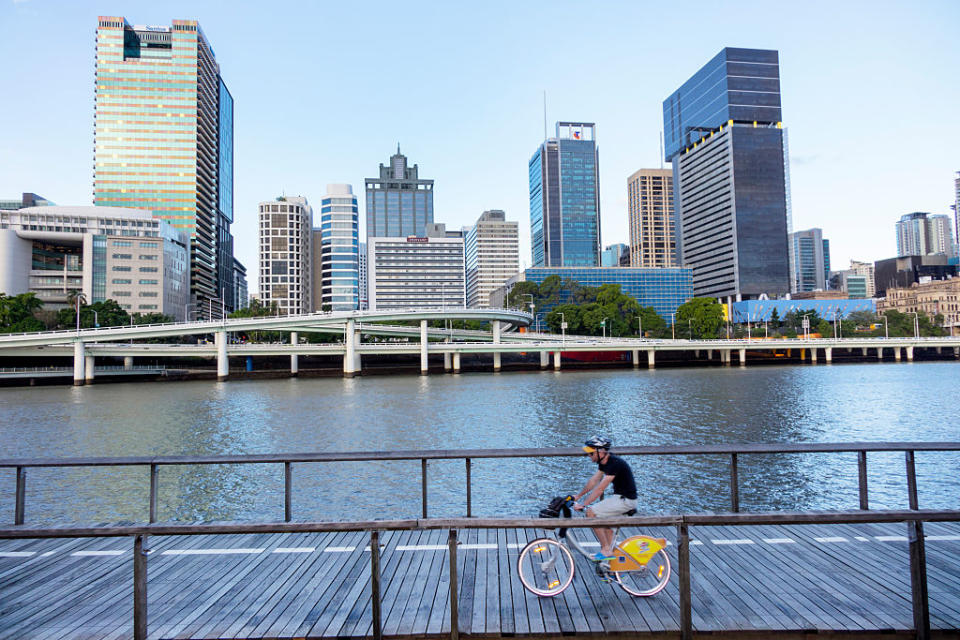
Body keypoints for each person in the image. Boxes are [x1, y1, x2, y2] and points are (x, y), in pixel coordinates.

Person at [572, 436, 638, 561]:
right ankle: (611, 566)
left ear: (601, 452)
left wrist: (584, 504)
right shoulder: (604, 462)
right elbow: (594, 481)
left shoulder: (614, 464)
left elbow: (600, 489)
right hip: (620, 498)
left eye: (591, 453)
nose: (589, 456)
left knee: (591, 513)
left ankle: (606, 550)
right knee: (607, 527)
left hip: (626, 501)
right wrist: (579, 496)